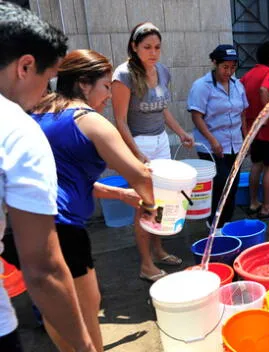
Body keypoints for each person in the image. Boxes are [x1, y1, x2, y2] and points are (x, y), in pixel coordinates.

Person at [30, 49, 157, 352]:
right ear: (84, 84)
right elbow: (139, 174)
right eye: (105, 87)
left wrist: (120, 194)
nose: (110, 97)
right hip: (62, 229)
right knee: (88, 308)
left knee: (54, 309)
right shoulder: (87, 119)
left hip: (25, 227)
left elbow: (67, 180)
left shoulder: (39, 113)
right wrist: (154, 208)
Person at [0, 3, 96, 351]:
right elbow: (42, 268)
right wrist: (84, 345)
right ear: (25, 66)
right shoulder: (16, 128)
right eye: (48, 78)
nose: (48, 91)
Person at [112, 22, 194, 281]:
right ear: (134, 47)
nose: (153, 52)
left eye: (157, 47)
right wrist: (136, 153)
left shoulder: (162, 71)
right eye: (147, 47)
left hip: (160, 141)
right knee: (145, 204)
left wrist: (180, 132)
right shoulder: (123, 75)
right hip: (139, 143)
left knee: (163, 200)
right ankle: (146, 265)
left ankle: (158, 250)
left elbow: (163, 108)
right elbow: (120, 120)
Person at [188, 44, 248, 228]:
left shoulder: (237, 85)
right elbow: (196, 116)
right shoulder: (202, 86)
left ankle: (226, 223)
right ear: (215, 63)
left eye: (232, 67)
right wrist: (213, 140)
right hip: (210, 144)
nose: (229, 71)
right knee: (220, 182)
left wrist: (246, 138)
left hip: (234, 144)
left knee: (233, 183)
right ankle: (214, 222)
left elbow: (242, 114)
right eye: (225, 67)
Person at [240, 41, 269, 218]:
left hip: (254, 129)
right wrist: (266, 116)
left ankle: (253, 203)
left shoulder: (248, 75)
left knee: (256, 164)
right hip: (268, 130)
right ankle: (267, 206)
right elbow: (263, 90)